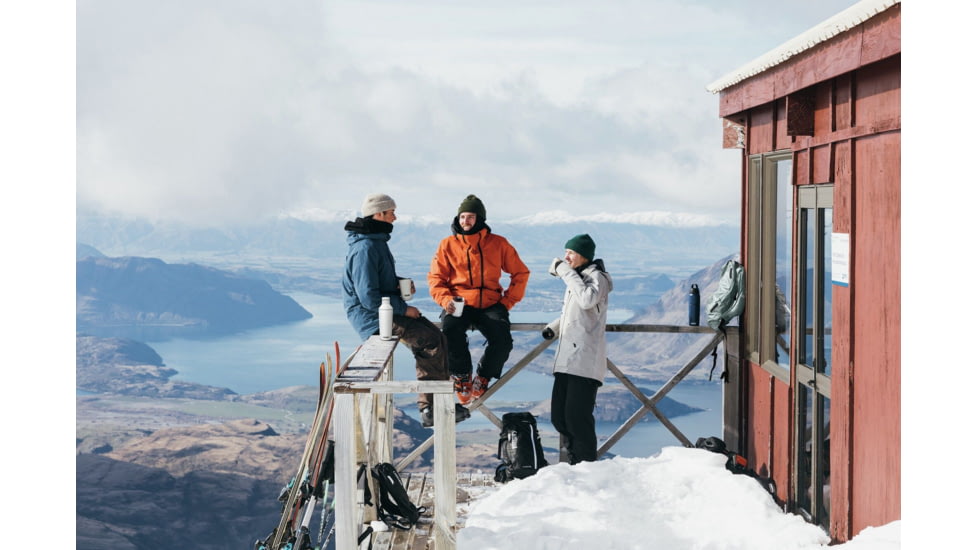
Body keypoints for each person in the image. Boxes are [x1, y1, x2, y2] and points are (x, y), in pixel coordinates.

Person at [342, 193, 467, 427]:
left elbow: (378, 282)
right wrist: (403, 308)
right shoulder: (366, 248)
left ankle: (439, 403)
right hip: (373, 316)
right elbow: (368, 297)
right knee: (429, 340)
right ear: (378, 214)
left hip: (385, 310)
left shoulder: (375, 242)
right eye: (391, 213)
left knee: (436, 336)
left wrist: (400, 284)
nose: (395, 218)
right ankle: (430, 408)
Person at [428, 194, 530, 406]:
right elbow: (436, 278)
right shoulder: (447, 245)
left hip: (490, 303)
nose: (465, 221)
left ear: (480, 219)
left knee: (502, 340)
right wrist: (445, 299)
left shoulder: (498, 244)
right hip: (457, 301)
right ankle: (461, 375)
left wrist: (507, 302)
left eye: (471, 217)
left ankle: (483, 376)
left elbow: (520, 273)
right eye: (463, 216)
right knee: (450, 332)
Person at [542, 234, 613, 464]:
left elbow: (586, 301)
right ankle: (576, 461)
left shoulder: (598, 278)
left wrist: (564, 271)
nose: (566, 257)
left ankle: (586, 466)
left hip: (584, 360)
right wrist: (554, 327)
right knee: (559, 417)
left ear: (583, 255)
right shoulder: (580, 277)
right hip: (567, 357)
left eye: (570, 253)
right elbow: (577, 314)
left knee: (577, 418)